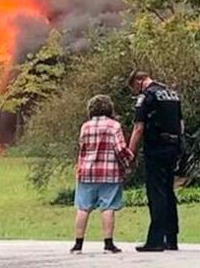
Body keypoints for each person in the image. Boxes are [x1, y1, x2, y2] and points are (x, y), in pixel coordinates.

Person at [128, 70, 185, 252]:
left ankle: (156, 240)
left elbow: (138, 127)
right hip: (174, 147)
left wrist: (131, 153)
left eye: (135, 89)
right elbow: (181, 124)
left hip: (156, 147)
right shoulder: (172, 94)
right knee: (168, 191)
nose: (136, 93)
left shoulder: (147, 96)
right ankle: (172, 238)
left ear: (139, 81)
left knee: (157, 193)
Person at [70, 95, 134, 254]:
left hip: (86, 172)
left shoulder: (85, 127)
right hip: (109, 172)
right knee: (108, 207)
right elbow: (120, 149)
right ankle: (108, 244)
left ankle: (78, 244)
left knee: (83, 207)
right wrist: (129, 161)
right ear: (109, 108)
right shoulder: (114, 126)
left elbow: (82, 149)